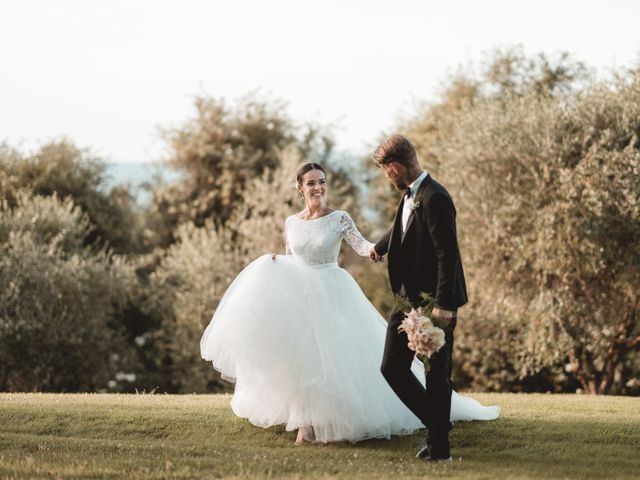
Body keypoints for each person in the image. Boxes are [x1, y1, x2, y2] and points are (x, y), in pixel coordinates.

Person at [200, 161, 498, 446]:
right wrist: (278, 262)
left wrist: (385, 246)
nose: (318, 187)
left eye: (322, 182)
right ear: (299, 188)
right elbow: (293, 256)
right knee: (300, 360)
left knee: (329, 360)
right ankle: (305, 423)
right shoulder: (291, 222)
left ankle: (324, 424)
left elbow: (363, 246)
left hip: (331, 291)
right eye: (311, 183)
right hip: (298, 296)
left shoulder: (339, 218)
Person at [370, 134, 473, 461]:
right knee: (391, 367)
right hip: (406, 300)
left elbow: (448, 255)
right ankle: (437, 424)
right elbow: (402, 228)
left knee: (435, 375)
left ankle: (439, 448)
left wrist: (443, 305)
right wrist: (380, 246)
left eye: (388, 172)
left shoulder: (435, 197)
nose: (388, 178)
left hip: (434, 302)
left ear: (397, 167)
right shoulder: (411, 195)